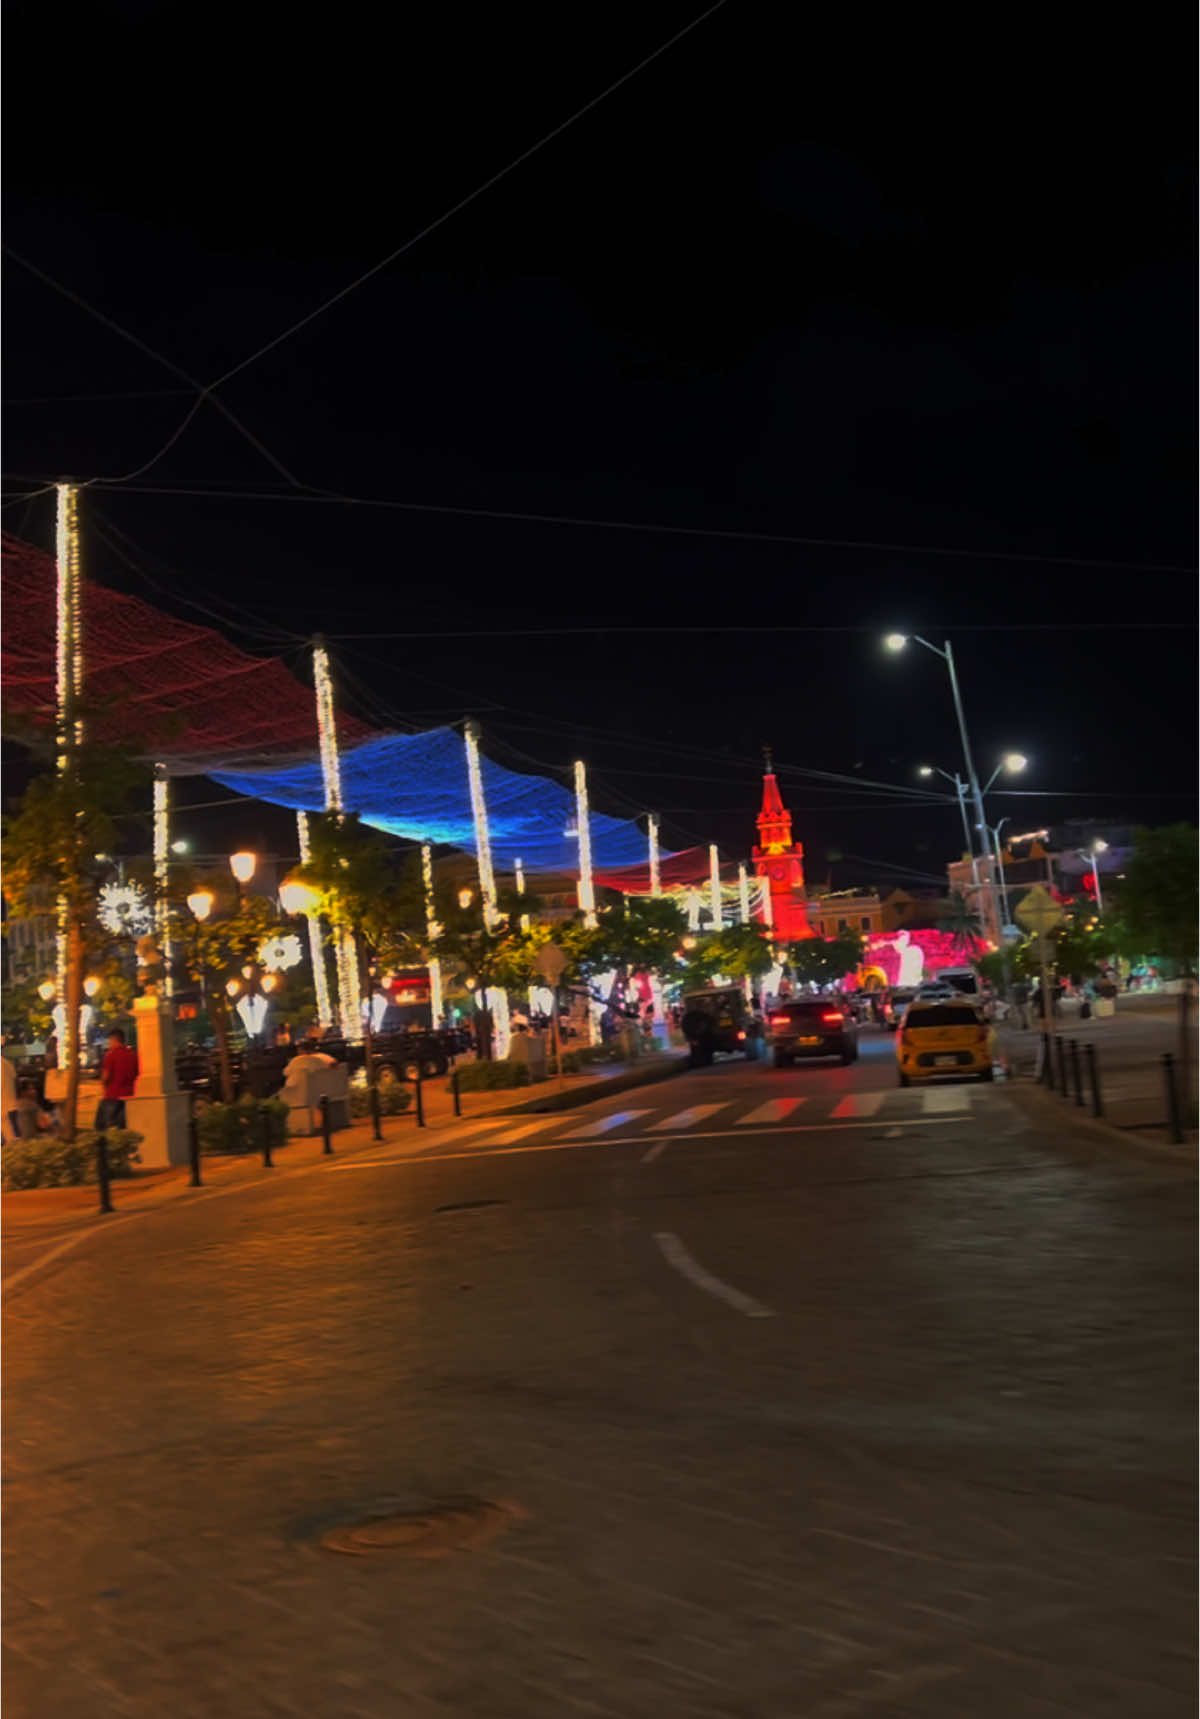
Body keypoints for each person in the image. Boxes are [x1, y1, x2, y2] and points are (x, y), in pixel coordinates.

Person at [97, 1028, 139, 1131]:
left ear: (113, 1040)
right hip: (129, 1095)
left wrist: (103, 1087)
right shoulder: (133, 1055)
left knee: (105, 1128)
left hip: (113, 1095)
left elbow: (105, 1076)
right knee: (123, 1128)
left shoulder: (111, 1055)